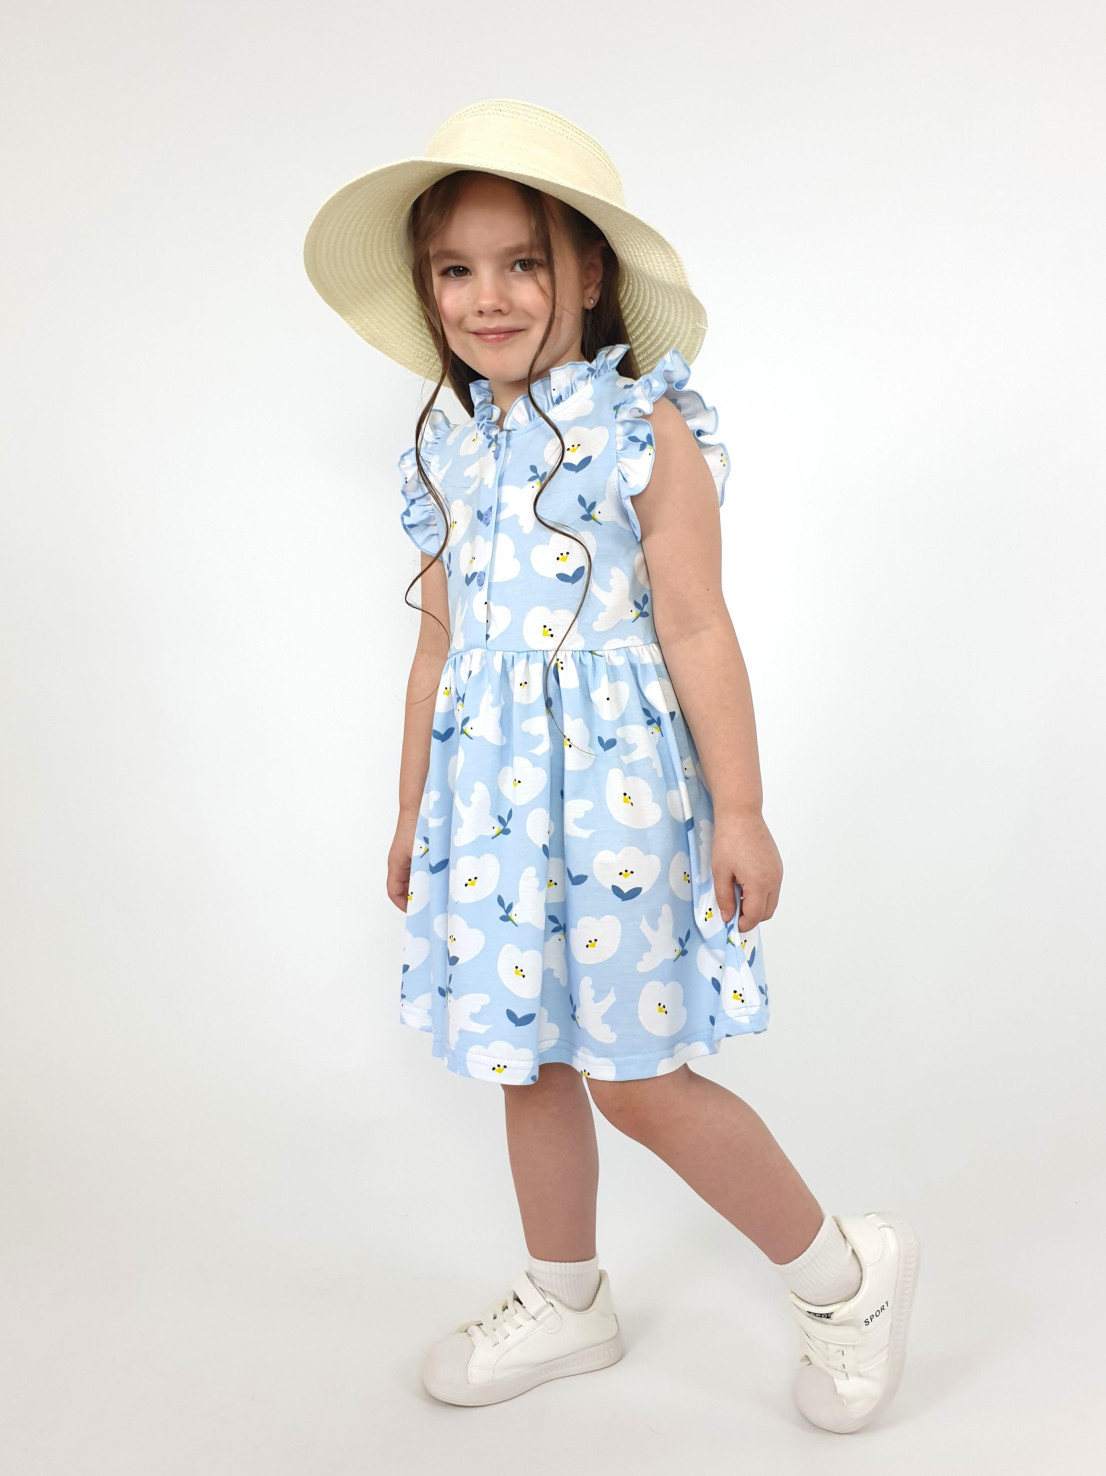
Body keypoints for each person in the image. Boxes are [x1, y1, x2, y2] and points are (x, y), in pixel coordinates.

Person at [303, 98, 920, 1433]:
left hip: (618, 800)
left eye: (521, 261)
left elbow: (695, 624)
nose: (487, 296)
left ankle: (844, 1278)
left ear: (588, 273)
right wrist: (412, 809)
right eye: (456, 268)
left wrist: (742, 808)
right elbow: (437, 648)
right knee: (524, 1058)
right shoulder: (449, 444)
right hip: (492, 806)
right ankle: (567, 1296)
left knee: (637, 1079)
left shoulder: (644, 428)